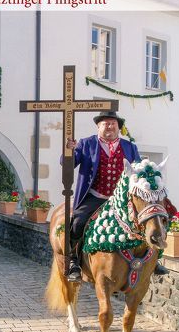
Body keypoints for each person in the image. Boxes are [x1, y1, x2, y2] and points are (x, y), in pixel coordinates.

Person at [63, 111, 168, 282]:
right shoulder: (86, 143)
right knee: (78, 222)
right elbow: (68, 164)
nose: (110, 126)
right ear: (98, 126)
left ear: (119, 127)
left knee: (150, 218)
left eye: (113, 123)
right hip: (95, 196)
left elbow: (138, 171)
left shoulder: (130, 147)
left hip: (122, 199)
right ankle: (74, 261)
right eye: (105, 123)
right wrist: (69, 151)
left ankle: (153, 261)